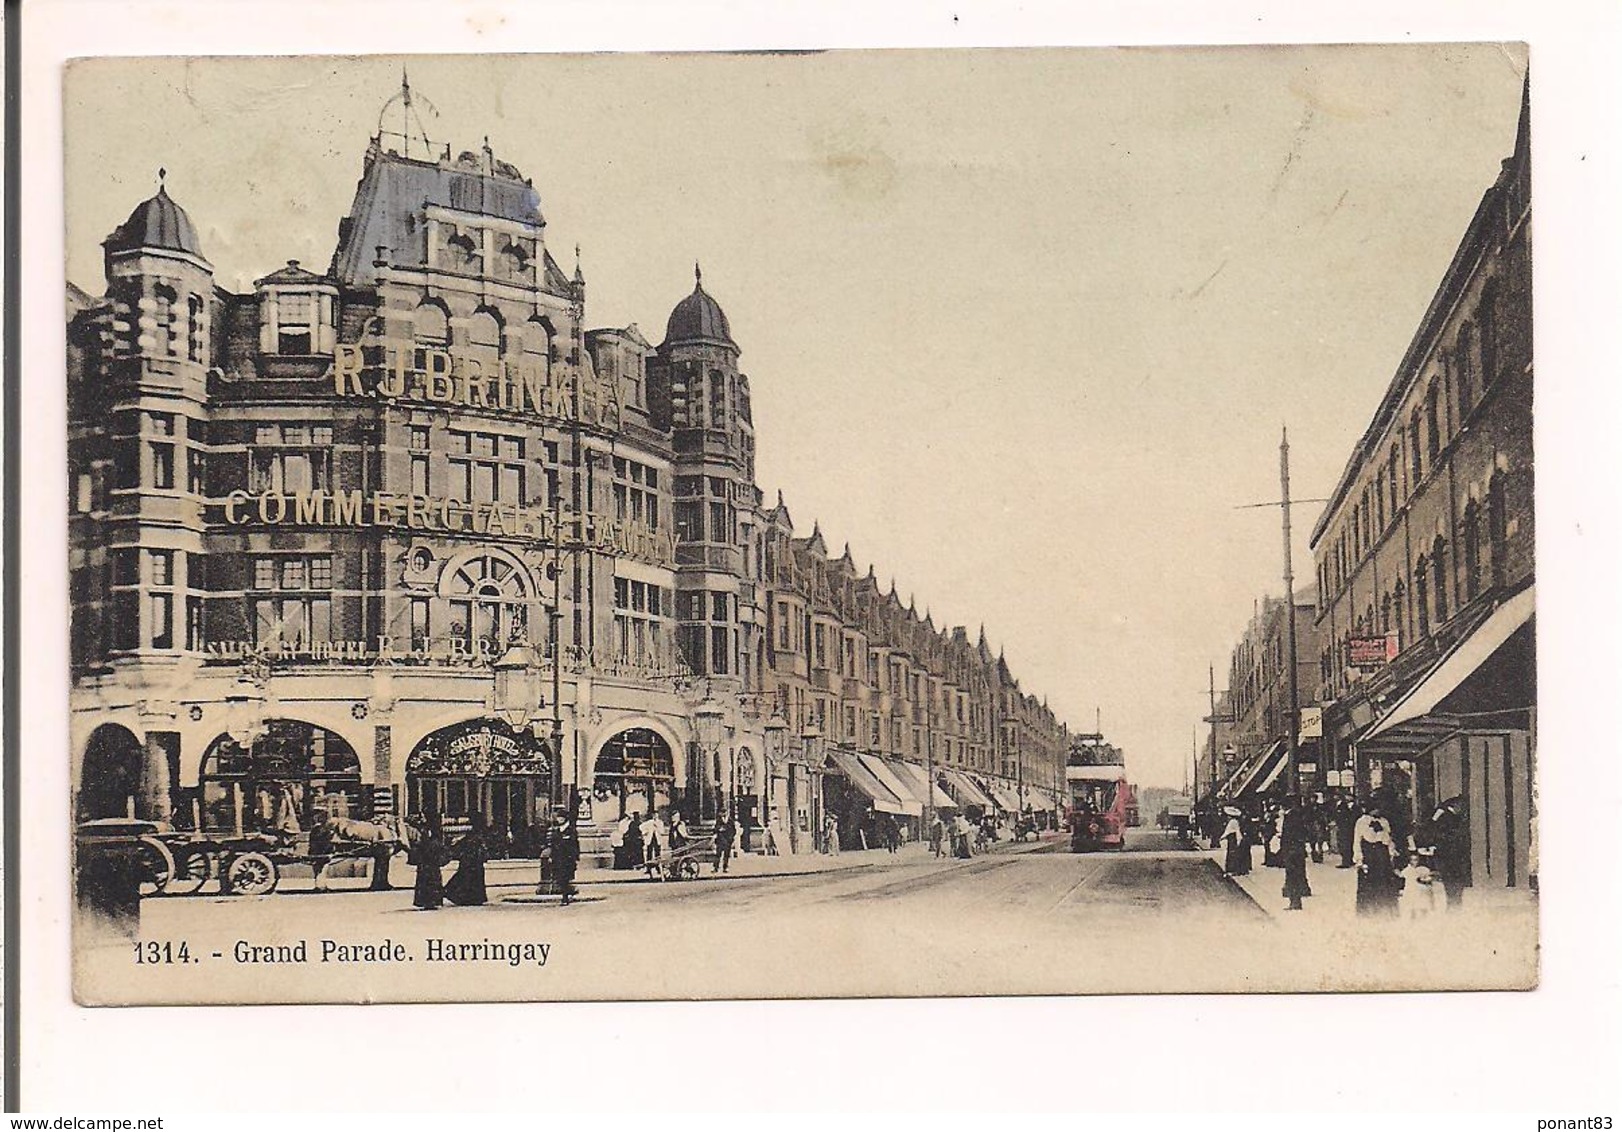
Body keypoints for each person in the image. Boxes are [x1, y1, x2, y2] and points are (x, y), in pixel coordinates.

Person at [1352, 806, 1402, 917]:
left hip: (1382, 854)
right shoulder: (1362, 821)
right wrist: (1359, 859)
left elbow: (1388, 840)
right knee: (1368, 883)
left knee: (1384, 882)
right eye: (1375, 808)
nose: (1378, 811)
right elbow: (1357, 841)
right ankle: (1368, 911)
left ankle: (1384, 910)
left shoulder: (1384, 821)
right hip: (1369, 855)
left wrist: (1391, 853)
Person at [1425, 797, 1471, 910]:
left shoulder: (1455, 817)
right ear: (1455, 805)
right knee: (1450, 879)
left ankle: (1455, 903)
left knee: (1455, 879)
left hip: (1454, 853)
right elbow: (1433, 830)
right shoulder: (1444, 816)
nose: (1462, 808)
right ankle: (1453, 904)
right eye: (1461, 805)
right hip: (1445, 853)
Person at [444, 813, 490, 906]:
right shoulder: (477, 834)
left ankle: (465, 897)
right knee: (471, 879)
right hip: (473, 862)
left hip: (469, 861)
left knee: (465, 878)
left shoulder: (473, 835)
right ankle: (473, 898)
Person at [1278, 798, 1313, 911]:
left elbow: (1289, 835)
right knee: (1296, 875)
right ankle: (1295, 900)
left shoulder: (1290, 817)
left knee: (1292, 876)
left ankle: (1295, 902)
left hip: (1292, 851)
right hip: (1297, 850)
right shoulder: (1296, 815)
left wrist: (1286, 850)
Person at [410, 812, 448, 911]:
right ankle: (432, 901)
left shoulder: (427, 829)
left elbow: (425, 842)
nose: (422, 818)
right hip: (429, 858)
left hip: (428, 857)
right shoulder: (430, 829)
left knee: (428, 879)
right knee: (432, 879)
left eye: (423, 816)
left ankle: (429, 901)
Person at [547, 814, 581, 905]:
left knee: (565, 877)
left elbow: (574, 844)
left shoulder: (571, 830)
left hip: (567, 858)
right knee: (560, 877)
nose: (559, 819)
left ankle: (565, 897)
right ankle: (567, 894)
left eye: (561, 817)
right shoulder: (557, 830)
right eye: (558, 817)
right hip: (558, 858)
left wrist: (575, 856)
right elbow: (553, 845)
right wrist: (551, 856)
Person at [1399, 851, 1440, 920]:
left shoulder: (1422, 869)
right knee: (1412, 909)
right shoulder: (1407, 870)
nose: (1414, 862)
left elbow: (1431, 876)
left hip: (1420, 891)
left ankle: (1423, 920)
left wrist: (1427, 877)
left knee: (1423, 906)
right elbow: (1401, 876)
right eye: (1412, 860)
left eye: (1416, 860)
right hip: (1411, 891)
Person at [1220, 806, 1250, 877]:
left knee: (1232, 854)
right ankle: (1235, 869)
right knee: (1233, 853)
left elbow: (1229, 831)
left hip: (1232, 839)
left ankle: (1232, 869)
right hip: (1233, 838)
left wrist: (1222, 837)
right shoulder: (1235, 821)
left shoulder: (1232, 822)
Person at [1335, 797, 1358, 869]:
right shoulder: (1352, 807)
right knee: (1347, 844)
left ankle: (1346, 861)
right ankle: (1349, 860)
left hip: (1346, 828)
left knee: (1345, 844)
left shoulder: (1345, 806)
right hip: (1347, 828)